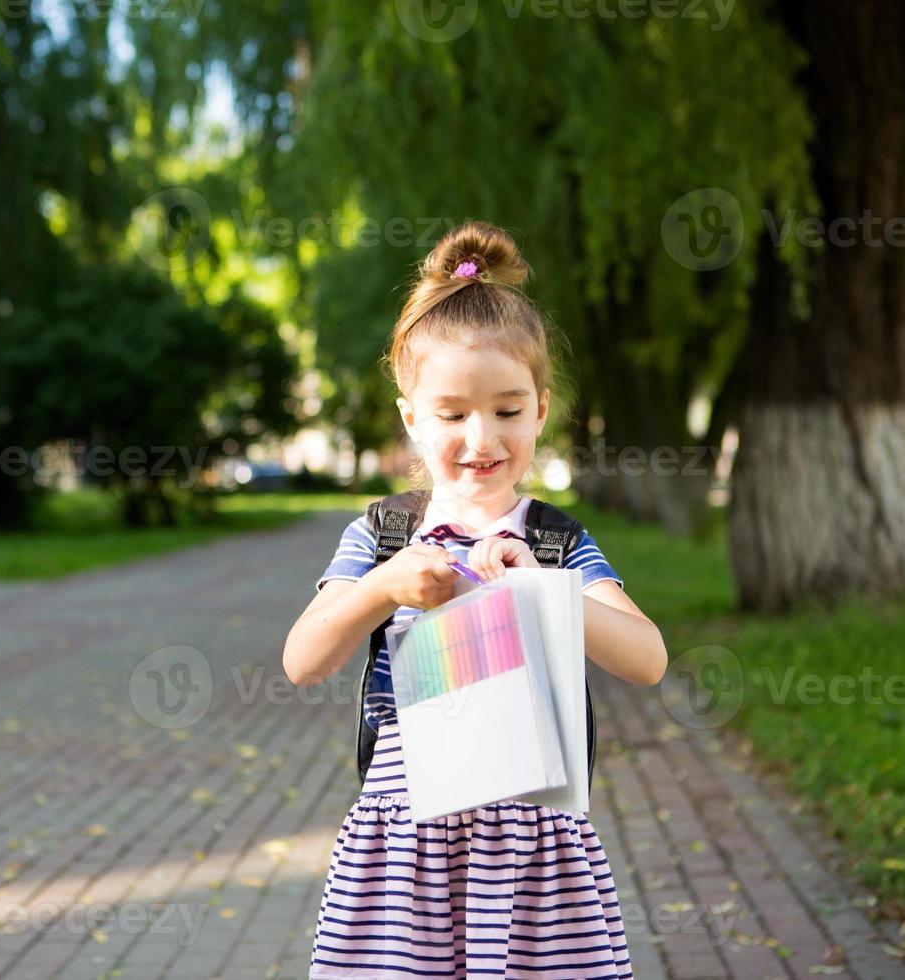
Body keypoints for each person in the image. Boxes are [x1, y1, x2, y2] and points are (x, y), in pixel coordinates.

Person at [283, 220, 668, 978]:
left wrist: (538, 588)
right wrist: (386, 586)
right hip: (405, 852)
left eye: (507, 409)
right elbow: (304, 659)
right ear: (412, 420)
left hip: (535, 850)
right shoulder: (383, 536)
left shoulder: (555, 541)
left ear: (542, 410)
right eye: (453, 414)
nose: (481, 436)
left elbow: (649, 659)